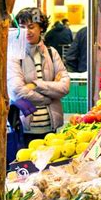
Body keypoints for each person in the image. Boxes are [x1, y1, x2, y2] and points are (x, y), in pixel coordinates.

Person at [7, 8, 70, 147]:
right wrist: (50, 96)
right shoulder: (14, 55)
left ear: (41, 28)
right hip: (25, 129)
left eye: (31, 27)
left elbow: (65, 86)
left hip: (51, 128)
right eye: (22, 27)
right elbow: (17, 91)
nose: (27, 32)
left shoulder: (52, 53)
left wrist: (35, 85)